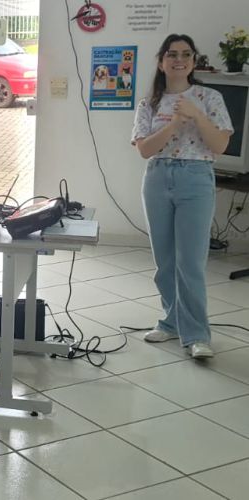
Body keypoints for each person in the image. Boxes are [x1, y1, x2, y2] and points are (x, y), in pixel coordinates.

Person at [131, 34, 233, 359]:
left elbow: (219, 145)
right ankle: (172, 321)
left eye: (186, 54)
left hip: (196, 177)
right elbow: (145, 149)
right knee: (165, 261)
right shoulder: (149, 103)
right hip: (158, 177)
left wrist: (197, 114)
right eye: (172, 54)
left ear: (193, 60)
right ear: (161, 62)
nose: (179, 60)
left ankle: (197, 334)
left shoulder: (210, 97)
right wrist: (174, 123)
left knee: (190, 262)